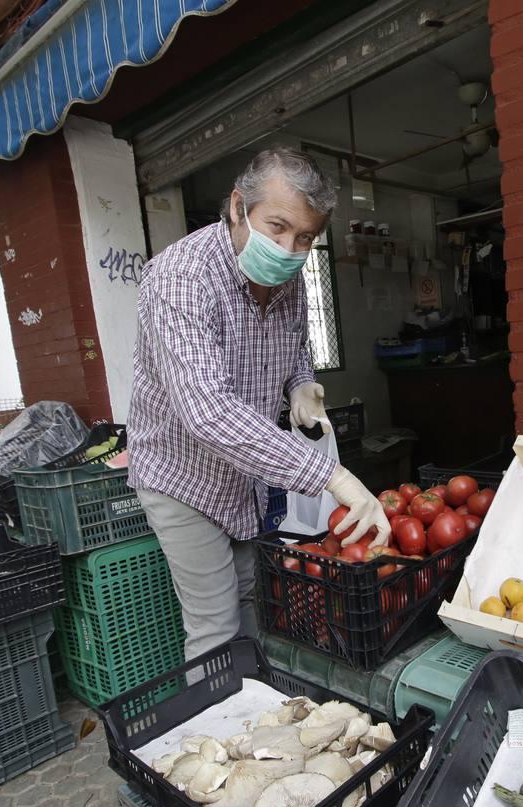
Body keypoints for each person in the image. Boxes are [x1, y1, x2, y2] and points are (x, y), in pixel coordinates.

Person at [128, 147, 391, 661]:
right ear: (236, 207)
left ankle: (257, 714)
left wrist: (300, 383)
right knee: (215, 626)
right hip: (182, 474)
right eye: (276, 227)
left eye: (304, 238)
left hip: (245, 473)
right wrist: (330, 476)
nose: (288, 248)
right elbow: (208, 412)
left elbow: (294, 346)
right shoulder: (178, 281)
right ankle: (214, 733)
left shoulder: (289, 280)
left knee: (254, 600)